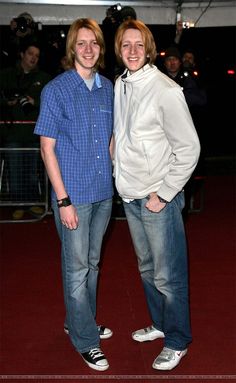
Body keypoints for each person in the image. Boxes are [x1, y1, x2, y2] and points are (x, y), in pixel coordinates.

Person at [113, 19, 200, 370]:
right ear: (118, 50)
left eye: (138, 45)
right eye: (125, 45)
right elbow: (121, 134)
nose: (132, 51)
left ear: (148, 49)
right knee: (148, 269)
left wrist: (163, 195)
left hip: (156, 199)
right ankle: (161, 324)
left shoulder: (165, 90)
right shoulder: (121, 83)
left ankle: (178, 340)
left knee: (169, 274)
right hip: (131, 196)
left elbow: (190, 149)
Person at [34, 18, 114, 371]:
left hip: (103, 194)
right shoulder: (56, 90)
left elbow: (111, 137)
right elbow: (47, 149)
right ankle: (84, 339)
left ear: (100, 47)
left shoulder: (108, 88)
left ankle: (78, 320)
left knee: (91, 264)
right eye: (81, 43)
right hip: (74, 196)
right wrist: (63, 200)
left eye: (93, 42)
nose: (88, 48)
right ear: (72, 48)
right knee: (76, 267)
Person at [0, 38, 51, 219]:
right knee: (14, 169)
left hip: (34, 134)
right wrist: (7, 102)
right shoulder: (5, 74)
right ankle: (16, 204)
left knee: (32, 170)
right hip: (11, 133)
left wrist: (34, 101)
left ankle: (32, 202)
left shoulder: (44, 78)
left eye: (37, 56)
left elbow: (51, 104)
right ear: (22, 54)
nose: (33, 58)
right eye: (30, 54)